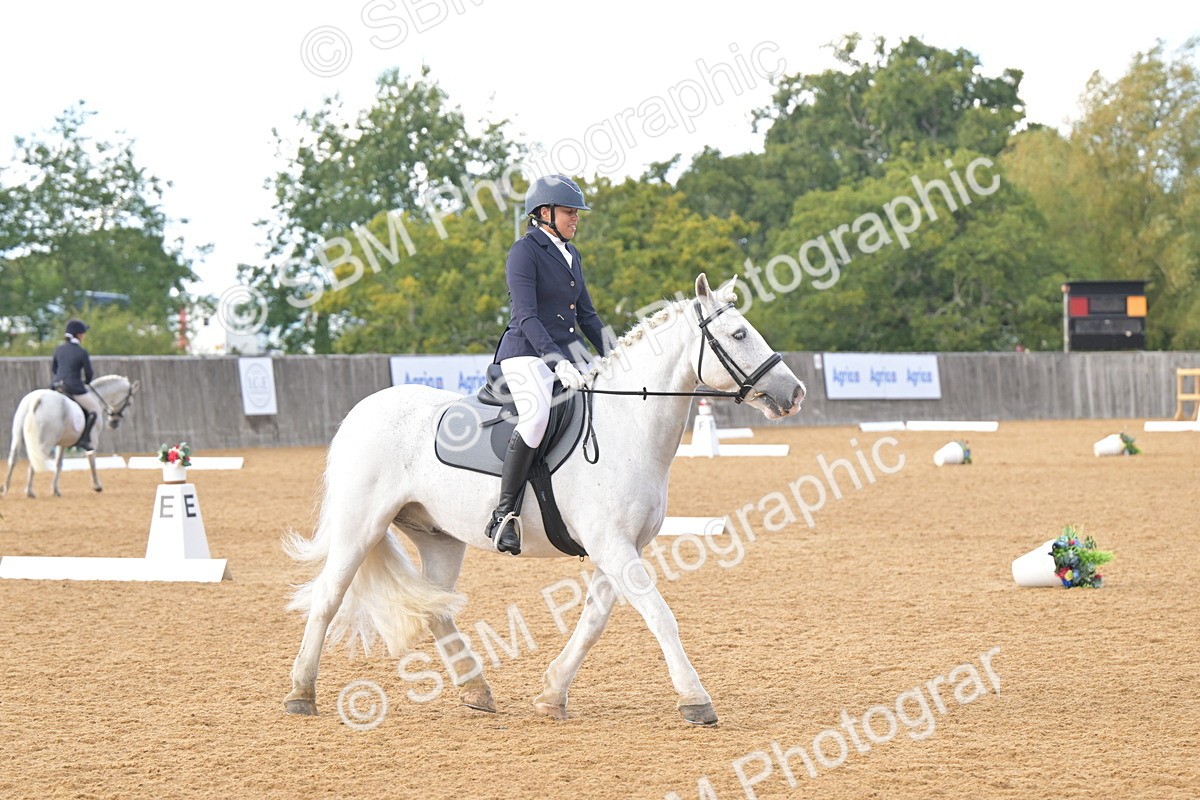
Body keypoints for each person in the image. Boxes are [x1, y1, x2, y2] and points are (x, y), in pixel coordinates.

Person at [485, 175, 614, 556]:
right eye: (569, 211)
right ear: (545, 213)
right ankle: (504, 514)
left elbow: (587, 316)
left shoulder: (572, 255)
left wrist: (617, 354)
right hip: (525, 352)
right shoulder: (524, 252)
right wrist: (556, 361)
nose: (576, 218)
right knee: (536, 417)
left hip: (569, 353)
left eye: (576, 212)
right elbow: (526, 315)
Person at [51, 319, 102, 452]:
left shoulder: (59, 349)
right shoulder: (81, 352)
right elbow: (89, 373)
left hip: (56, 386)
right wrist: (86, 382)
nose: (84, 336)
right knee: (95, 410)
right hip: (74, 388)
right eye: (83, 334)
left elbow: (54, 368)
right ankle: (85, 439)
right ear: (79, 335)